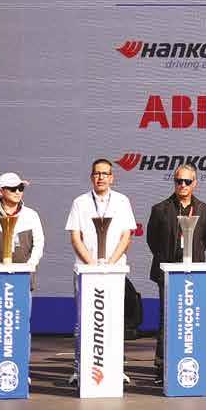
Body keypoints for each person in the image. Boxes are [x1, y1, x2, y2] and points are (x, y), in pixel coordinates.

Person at [65, 157, 138, 385]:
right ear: (91, 177)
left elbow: (126, 235)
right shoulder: (80, 202)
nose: (101, 177)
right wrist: (92, 265)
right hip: (86, 271)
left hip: (114, 271)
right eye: (97, 173)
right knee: (83, 322)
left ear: (112, 178)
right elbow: (75, 237)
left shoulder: (122, 201)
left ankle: (116, 368)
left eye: (105, 173)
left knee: (114, 320)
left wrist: (110, 263)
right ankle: (79, 369)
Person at [0, 172, 45, 388]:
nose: (18, 192)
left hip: (23, 279)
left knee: (21, 324)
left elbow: (39, 244)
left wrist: (28, 267)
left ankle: (21, 367)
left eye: (21, 188)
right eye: (13, 189)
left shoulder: (31, 215)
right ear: (0, 192)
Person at [144, 165, 206, 384]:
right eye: (179, 181)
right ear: (174, 182)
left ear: (195, 183)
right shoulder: (160, 209)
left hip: (194, 274)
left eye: (187, 181)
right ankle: (161, 366)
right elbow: (152, 240)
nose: (183, 185)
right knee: (167, 319)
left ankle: (190, 362)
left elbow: (205, 239)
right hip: (168, 272)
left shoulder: (204, 209)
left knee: (191, 320)